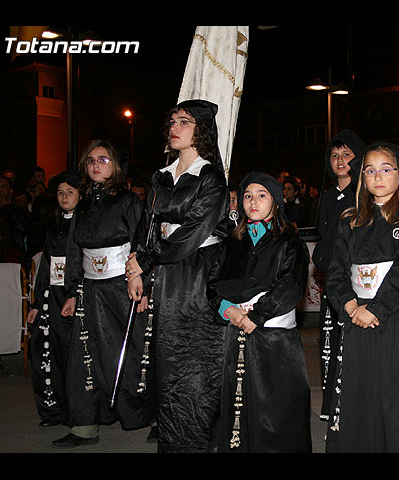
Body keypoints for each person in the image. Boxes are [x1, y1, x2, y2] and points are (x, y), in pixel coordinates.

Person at [323, 142, 399, 453]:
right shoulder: (351, 220)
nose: (378, 177)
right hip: (356, 317)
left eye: (385, 169)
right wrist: (350, 305)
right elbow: (336, 270)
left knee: (397, 395)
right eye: (370, 170)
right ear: (362, 178)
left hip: (396, 317)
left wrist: (377, 308)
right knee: (360, 394)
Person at [126, 99, 229, 453]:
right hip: (167, 276)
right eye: (172, 121)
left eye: (183, 122)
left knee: (196, 361)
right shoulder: (161, 176)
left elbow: (192, 232)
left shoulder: (211, 177)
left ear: (200, 130)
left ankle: (201, 442)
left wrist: (148, 259)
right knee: (168, 361)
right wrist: (137, 266)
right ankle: (173, 441)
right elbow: (148, 226)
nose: (174, 127)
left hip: (197, 275)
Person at [52, 139, 156, 448]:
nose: (96, 165)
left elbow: (143, 244)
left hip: (124, 287)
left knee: (135, 351)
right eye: (91, 160)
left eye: (103, 159)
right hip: (89, 289)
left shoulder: (128, 201)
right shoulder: (82, 203)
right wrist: (72, 292)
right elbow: (74, 251)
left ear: (116, 166)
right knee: (84, 355)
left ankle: (156, 417)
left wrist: (144, 285)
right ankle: (84, 426)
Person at [209, 171, 312, 453]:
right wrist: (229, 311)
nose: (253, 201)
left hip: (275, 338)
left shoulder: (290, 243)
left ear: (276, 201)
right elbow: (212, 284)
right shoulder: (231, 243)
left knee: (276, 409)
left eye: (261, 195)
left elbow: (291, 285)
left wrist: (255, 316)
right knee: (239, 405)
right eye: (247, 196)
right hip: (235, 334)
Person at [311, 129, 366, 420]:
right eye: (334, 155)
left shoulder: (364, 193)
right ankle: (331, 403)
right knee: (329, 342)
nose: (340, 160)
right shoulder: (328, 195)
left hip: (353, 282)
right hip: (329, 280)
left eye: (346, 154)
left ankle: (351, 404)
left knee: (350, 342)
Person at [27, 170, 81, 427]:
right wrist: (37, 304)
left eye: (70, 192)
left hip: (74, 295)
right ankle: (52, 411)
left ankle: (76, 414)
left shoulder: (85, 226)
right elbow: (46, 266)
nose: (65, 197)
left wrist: (75, 292)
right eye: (61, 193)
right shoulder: (54, 226)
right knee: (46, 352)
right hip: (53, 295)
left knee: (72, 355)